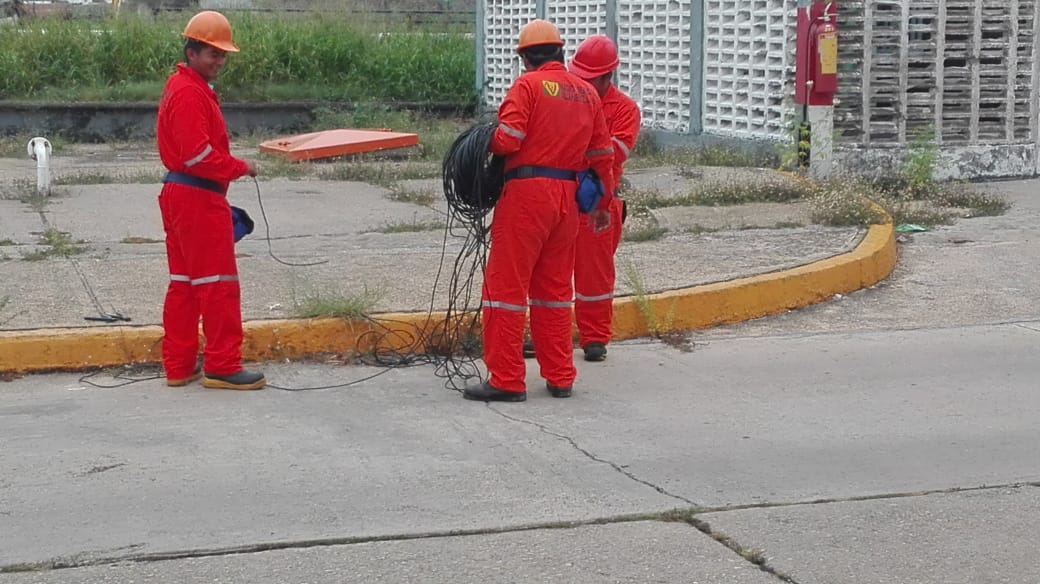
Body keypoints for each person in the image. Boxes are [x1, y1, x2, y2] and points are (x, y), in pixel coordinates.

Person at [464, 19, 615, 403]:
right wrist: (602, 204)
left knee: (505, 290)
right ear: (561, 53)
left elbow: (509, 138)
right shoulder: (586, 92)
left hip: (527, 196)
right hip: (568, 200)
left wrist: (485, 139)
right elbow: (602, 156)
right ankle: (561, 376)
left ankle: (507, 380)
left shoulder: (528, 86)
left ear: (525, 57)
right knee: (553, 292)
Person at [156, 10, 265, 391]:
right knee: (218, 284)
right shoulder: (188, 92)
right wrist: (241, 166)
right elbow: (198, 155)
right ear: (191, 51)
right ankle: (222, 364)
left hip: (183, 195)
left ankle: (180, 366)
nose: (219, 61)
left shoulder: (187, 87)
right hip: (197, 198)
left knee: (185, 284)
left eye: (222, 55)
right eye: (211, 54)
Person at [568, 34, 641, 362]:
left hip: (598, 200)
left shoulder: (625, 109)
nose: (581, 83)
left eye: (588, 79)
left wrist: (576, 150)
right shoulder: (569, 98)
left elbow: (613, 154)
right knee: (547, 272)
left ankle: (594, 337)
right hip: (562, 195)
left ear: (606, 77)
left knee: (594, 274)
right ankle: (544, 332)